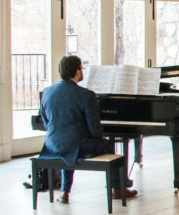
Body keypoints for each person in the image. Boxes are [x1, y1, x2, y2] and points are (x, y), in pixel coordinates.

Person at [39, 55, 136, 204]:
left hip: (52, 145)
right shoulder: (86, 95)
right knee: (108, 144)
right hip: (75, 147)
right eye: (81, 68)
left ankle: (65, 192)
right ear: (77, 72)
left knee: (69, 143)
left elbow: (46, 123)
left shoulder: (47, 92)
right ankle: (117, 189)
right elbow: (95, 131)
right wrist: (96, 137)